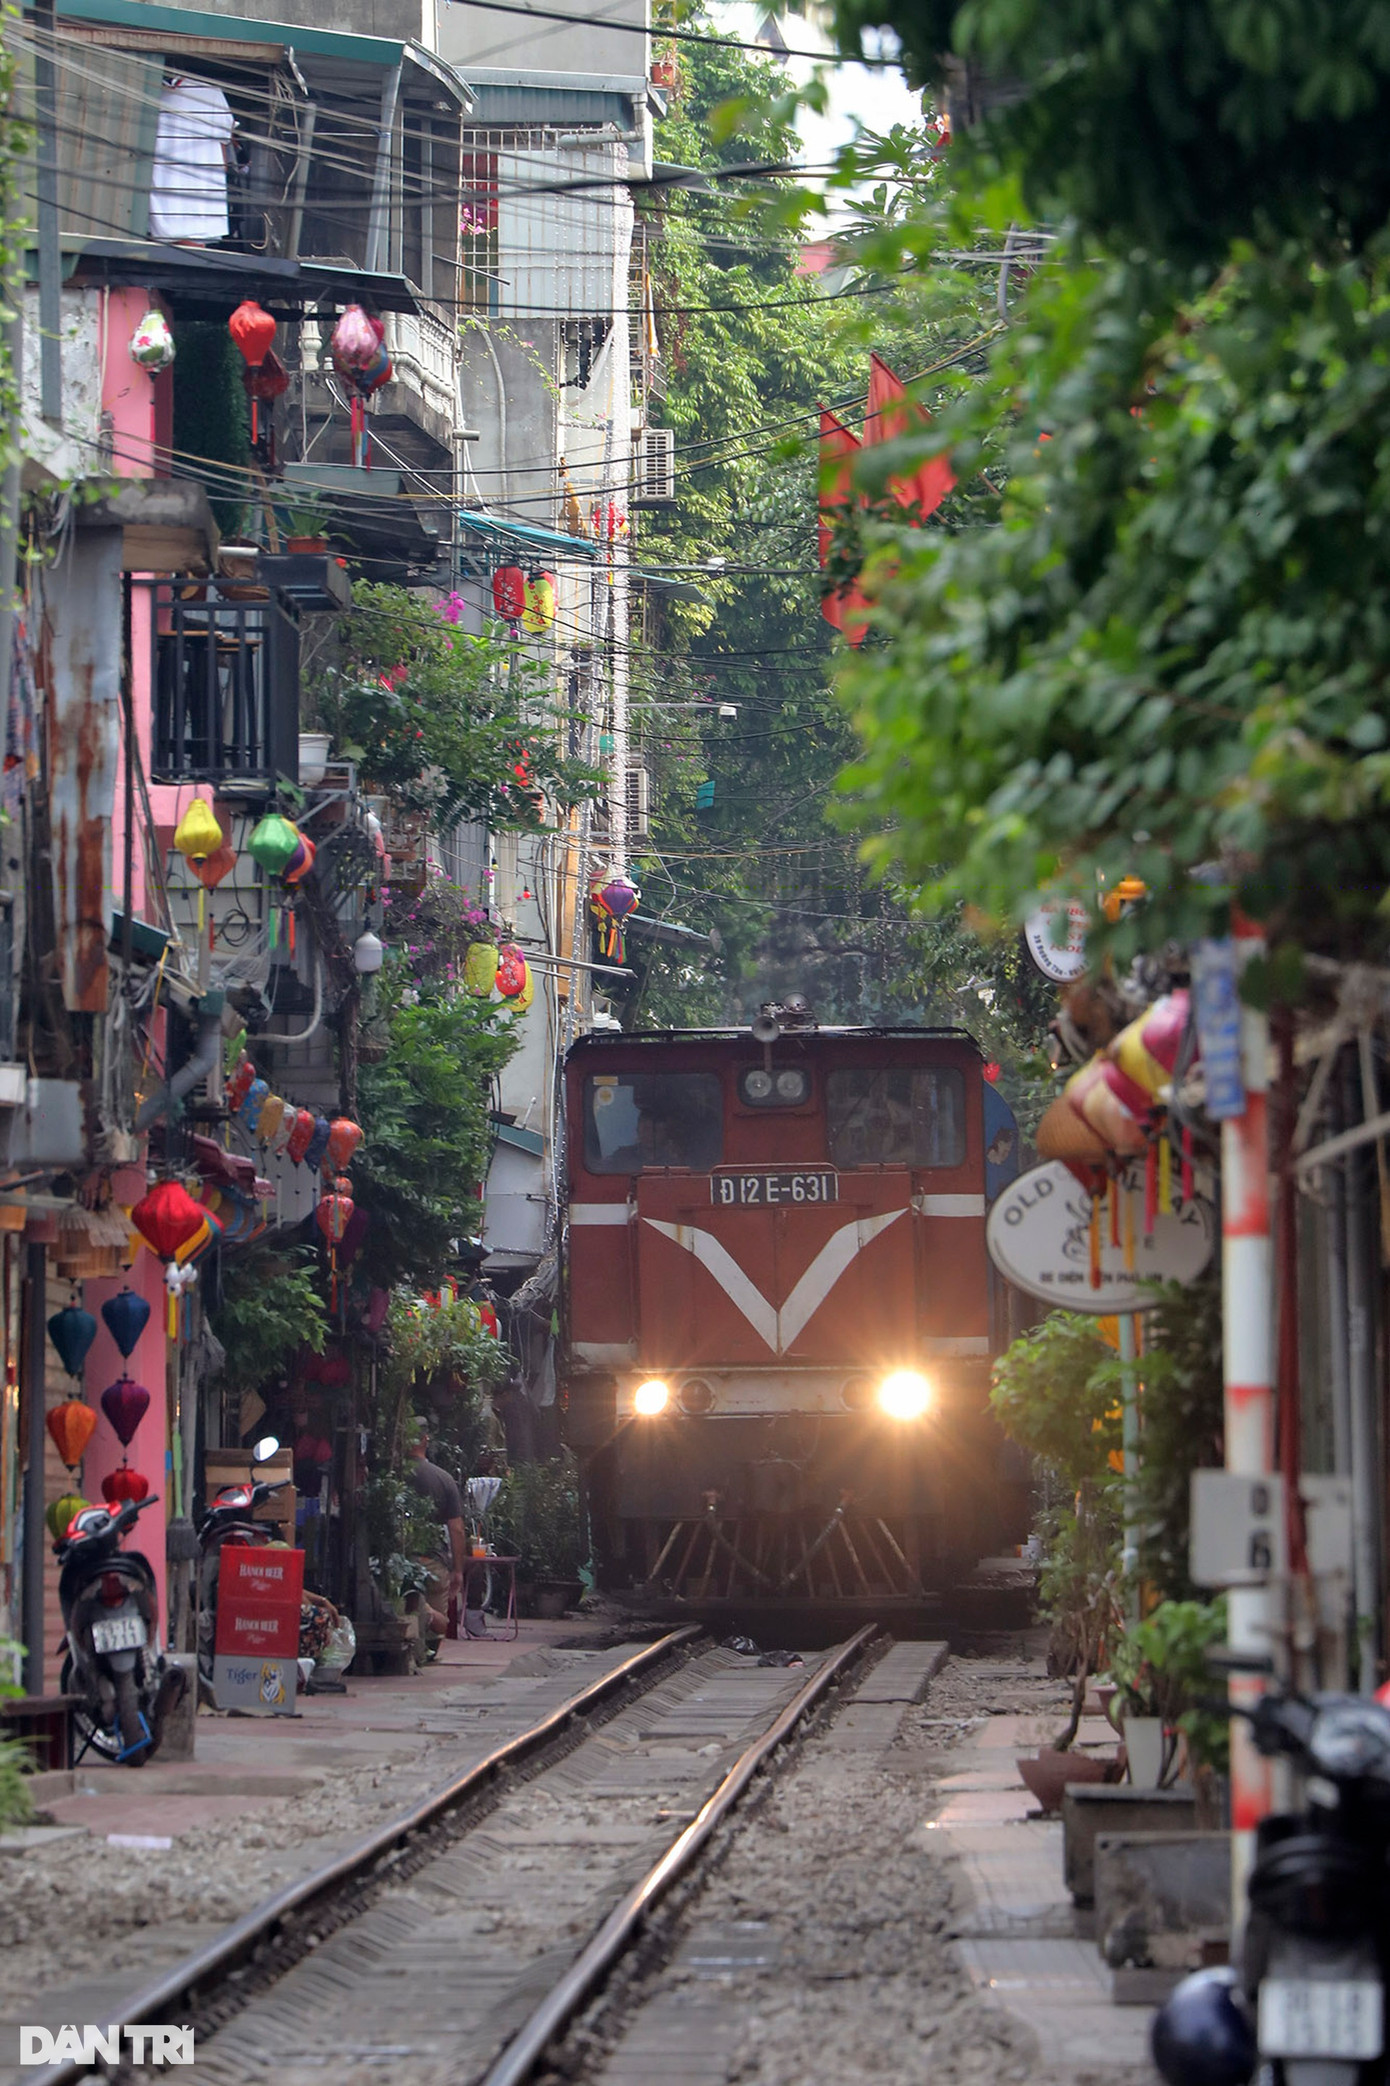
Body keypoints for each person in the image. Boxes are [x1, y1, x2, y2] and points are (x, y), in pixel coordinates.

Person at [406, 1428, 467, 1646]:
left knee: (405, 1609)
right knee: (434, 1637)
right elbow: (456, 1529)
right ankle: (427, 1627)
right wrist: (458, 1570)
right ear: (425, 1440)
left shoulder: (392, 1474)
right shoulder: (443, 1479)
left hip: (403, 1560)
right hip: (433, 1562)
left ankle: (423, 1616)